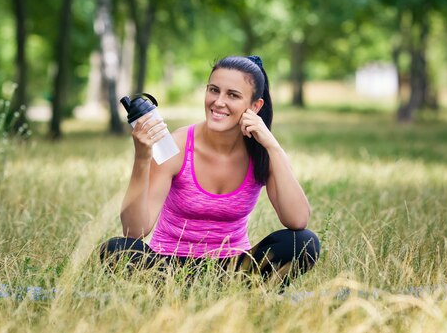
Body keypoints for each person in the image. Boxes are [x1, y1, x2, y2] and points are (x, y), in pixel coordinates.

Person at [100, 55, 320, 285]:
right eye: (213, 90)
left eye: (232, 95)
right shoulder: (177, 146)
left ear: (255, 106)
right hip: (168, 267)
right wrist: (142, 158)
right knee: (116, 249)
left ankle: (213, 292)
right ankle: (190, 292)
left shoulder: (261, 152)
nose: (218, 102)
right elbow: (134, 231)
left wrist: (273, 146)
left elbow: (297, 220)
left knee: (304, 242)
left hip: (234, 269)